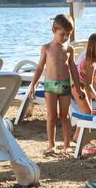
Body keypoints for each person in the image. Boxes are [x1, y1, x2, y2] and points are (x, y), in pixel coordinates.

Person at [29, 14, 83, 156]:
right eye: (62, 34)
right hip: (50, 85)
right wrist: (33, 84)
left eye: (68, 35)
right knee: (52, 115)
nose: (65, 37)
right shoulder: (46, 48)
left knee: (65, 116)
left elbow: (73, 69)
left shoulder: (69, 49)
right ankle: (51, 144)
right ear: (54, 30)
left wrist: (78, 87)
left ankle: (66, 144)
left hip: (65, 85)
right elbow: (40, 67)